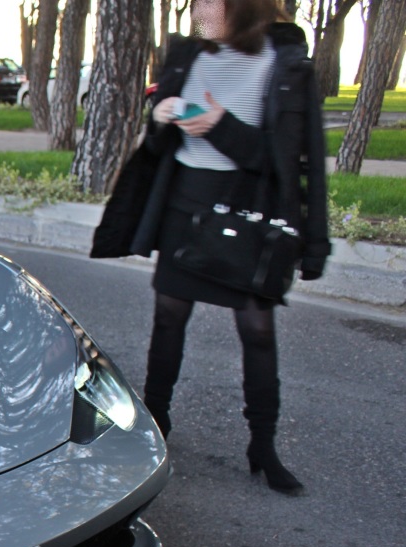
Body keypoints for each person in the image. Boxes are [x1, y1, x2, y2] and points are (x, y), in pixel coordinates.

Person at [96, 0, 329, 496]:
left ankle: (262, 447)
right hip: (185, 207)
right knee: (168, 318)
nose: (197, 8)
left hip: (248, 213)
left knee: (258, 329)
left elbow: (286, 159)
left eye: (208, 1)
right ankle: (156, 423)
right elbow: (160, 146)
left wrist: (219, 124)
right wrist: (159, 119)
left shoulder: (285, 65)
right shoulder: (186, 55)